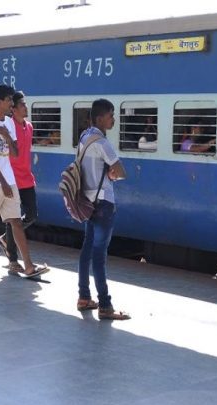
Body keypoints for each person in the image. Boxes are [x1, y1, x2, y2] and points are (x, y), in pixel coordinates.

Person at [0, 84, 48, 278]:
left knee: (15, 221)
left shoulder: (8, 124)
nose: (11, 103)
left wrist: (6, 135)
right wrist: (3, 183)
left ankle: (29, 266)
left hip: (9, 180)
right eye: (8, 100)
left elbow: (14, 153)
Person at [77, 99, 130, 320]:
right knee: (99, 255)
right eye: (110, 115)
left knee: (87, 249)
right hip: (104, 204)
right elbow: (121, 171)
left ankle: (83, 296)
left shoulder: (83, 138)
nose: (113, 119)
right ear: (100, 118)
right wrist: (111, 174)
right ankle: (105, 306)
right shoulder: (102, 142)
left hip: (87, 202)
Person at [0, 91, 38, 274]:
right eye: (22, 105)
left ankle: (6, 238)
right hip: (11, 177)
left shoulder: (29, 126)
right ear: (13, 109)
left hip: (27, 178)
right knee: (12, 218)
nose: (26, 107)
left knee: (32, 214)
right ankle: (13, 260)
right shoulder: (8, 125)